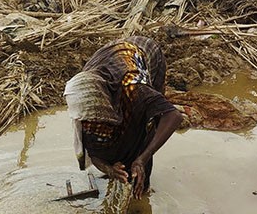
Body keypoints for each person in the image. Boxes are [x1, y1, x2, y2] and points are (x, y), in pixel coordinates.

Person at [64, 36, 183, 197]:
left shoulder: (133, 87)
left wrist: (142, 159)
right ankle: (127, 168)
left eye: (96, 119)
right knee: (108, 136)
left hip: (146, 53)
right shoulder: (83, 98)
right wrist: (109, 169)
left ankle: (142, 177)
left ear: (105, 105)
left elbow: (173, 116)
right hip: (110, 58)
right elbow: (93, 151)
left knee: (146, 124)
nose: (91, 124)